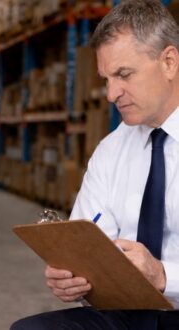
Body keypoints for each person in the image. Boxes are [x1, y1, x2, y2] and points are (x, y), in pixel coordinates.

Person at [11, 0, 179, 329]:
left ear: (169, 62)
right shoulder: (111, 149)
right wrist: (73, 277)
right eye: (105, 79)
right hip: (125, 311)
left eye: (123, 75)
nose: (110, 94)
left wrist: (162, 275)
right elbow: (87, 241)